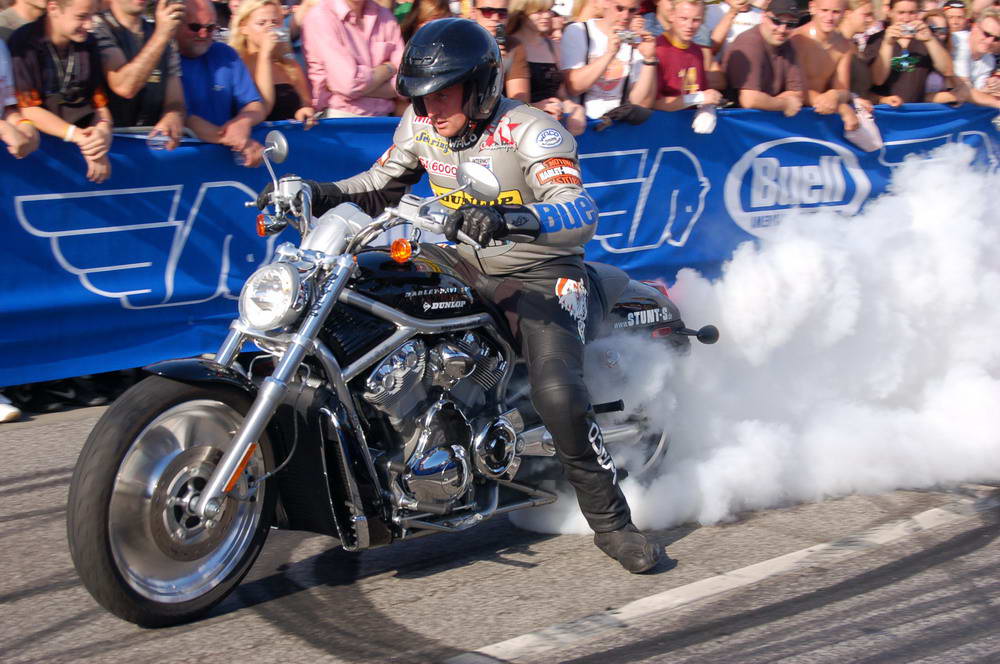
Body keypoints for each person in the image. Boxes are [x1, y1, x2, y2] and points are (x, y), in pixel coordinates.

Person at [256, 18, 665, 574]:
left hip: (541, 270)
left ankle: (614, 524)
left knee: (557, 392)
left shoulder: (532, 131)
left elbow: (579, 210)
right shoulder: (420, 125)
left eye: (442, 93)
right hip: (457, 258)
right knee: (363, 294)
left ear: (480, 87)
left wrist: (515, 217)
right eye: (421, 97)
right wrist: (314, 191)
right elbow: (378, 187)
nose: (429, 108)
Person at [10, 0, 114, 182]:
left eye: (93, 16)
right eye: (81, 17)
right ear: (53, 9)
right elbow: (27, 108)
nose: (90, 25)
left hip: (81, 153)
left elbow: (99, 105)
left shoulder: (89, 44)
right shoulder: (24, 44)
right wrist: (77, 136)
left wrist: (102, 134)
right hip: (37, 164)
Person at [177, 0, 266, 165]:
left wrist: (243, 122)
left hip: (222, 161)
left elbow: (254, 105)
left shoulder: (225, 54)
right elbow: (184, 117)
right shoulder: (168, 58)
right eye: (195, 27)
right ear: (177, 25)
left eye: (210, 28)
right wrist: (235, 139)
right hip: (181, 160)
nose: (203, 34)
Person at [91, 0, 186, 148]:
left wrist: (173, 115)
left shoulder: (163, 35)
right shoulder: (94, 26)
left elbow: (176, 100)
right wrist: (162, 34)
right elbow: (124, 87)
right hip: (108, 146)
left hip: (151, 148)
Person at [300, 0, 404, 117]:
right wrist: (390, 68)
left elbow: (406, 81)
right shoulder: (321, 17)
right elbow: (349, 85)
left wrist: (356, 89)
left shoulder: (385, 16)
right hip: (339, 120)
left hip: (385, 120)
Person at [559, 0, 659, 119]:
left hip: (616, 125)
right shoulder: (579, 31)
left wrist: (649, 59)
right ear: (605, 2)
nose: (625, 16)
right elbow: (574, 87)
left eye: (632, 10)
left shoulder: (635, 40)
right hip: (582, 124)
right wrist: (609, 54)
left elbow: (641, 103)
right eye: (619, 8)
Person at [506, 0, 587, 134]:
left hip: (550, 129)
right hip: (518, 130)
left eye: (548, 10)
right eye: (538, 11)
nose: (546, 16)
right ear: (522, 13)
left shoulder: (553, 47)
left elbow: (560, 95)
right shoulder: (509, 46)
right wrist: (537, 107)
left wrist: (576, 109)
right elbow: (506, 103)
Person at [229, 0, 315, 124]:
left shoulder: (289, 66)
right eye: (261, 23)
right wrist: (265, 55)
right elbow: (263, 108)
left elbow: (305, 104)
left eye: (275, 22)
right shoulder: (237, 66)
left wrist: (303, 111)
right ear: (244, 27)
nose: (269, 28)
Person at [862, 0, 954, 105]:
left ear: (918, 13)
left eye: (912, 13)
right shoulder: (877, 40)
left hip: (915, 112)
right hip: (885, 112)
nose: (906, 18)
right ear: (890, 12)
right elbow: (877, 80)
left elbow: (948, 71)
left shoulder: (927, 38)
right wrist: (887, 45)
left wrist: (930, 40)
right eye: (901, 13)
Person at [644, 0, 724, 120]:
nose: (690, 26)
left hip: (686, 129)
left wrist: (707, 108)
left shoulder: (697, 52)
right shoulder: (658, 50)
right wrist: (699, 98)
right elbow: (653, 103)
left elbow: (699, 91)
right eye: (684, 18)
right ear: (672, 16)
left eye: (696, 20)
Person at [791, 0, 864, 130]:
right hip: (793, 115)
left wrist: (835, 95)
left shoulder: (844, 45)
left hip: (822, 115)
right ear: (812, 8)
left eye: (836, 12)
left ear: (844, 13)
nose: (829, 17)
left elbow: (843, 89)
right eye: (824, 11)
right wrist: (842, 108)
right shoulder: (797, 39)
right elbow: (796, 88)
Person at [722, 0, 805, 115]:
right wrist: (785, 104)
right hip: (735, 121)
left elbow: (797, 93)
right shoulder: (749, 43)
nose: (782, 29)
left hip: (763, 121)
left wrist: (770, 103)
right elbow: (750, 100)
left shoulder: (787, 44)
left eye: (790, 24)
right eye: (776, 21)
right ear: (763, 17)